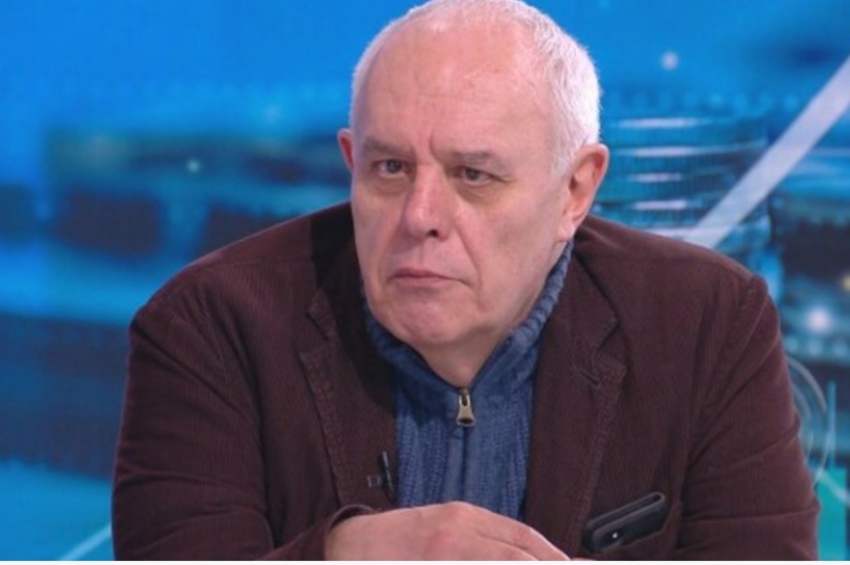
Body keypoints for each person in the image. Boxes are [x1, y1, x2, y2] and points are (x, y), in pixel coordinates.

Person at [111, 0, 819, 559]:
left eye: (473, 175)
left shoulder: (709, 323)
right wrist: (337, 556)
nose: (420, 216)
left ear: (575, 190)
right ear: (351, 162)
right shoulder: (211, 326)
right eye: (390, 168)